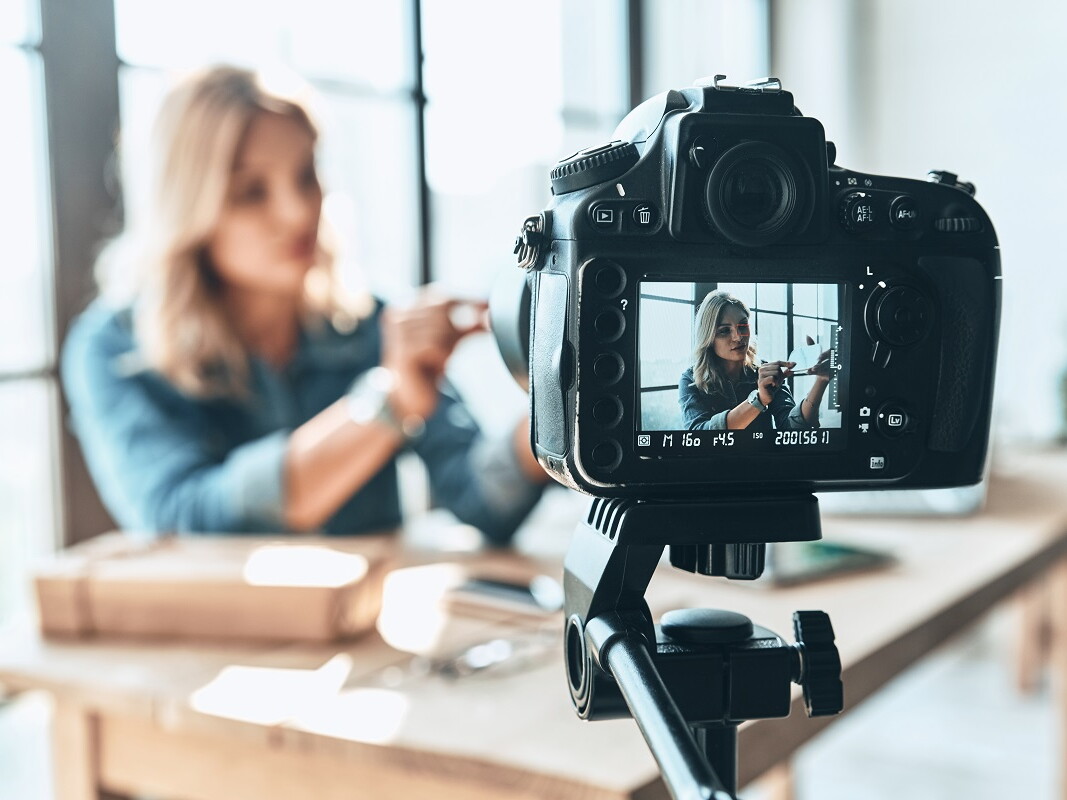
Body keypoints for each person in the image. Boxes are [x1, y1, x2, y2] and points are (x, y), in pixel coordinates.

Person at [61, 65, 547, 543]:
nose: (298, 211)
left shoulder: (371, 321)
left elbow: (479, 497)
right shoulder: (113, 347)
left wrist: (562, 413)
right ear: (189, 207)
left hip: (362, 619)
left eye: (305, 173)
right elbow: (180, 518)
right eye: (251, 191)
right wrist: (389, 403)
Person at [678, 290, 830, 431]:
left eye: (743, 326)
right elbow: (699, 435)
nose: (738, 337)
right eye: (724, 331)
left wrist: (821, 381)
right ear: (708, 338)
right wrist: (759, 400)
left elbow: (792, 429)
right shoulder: (691, 379)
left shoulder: (764, 372)